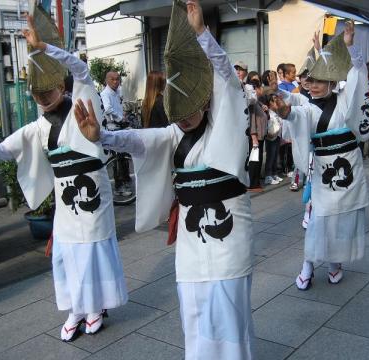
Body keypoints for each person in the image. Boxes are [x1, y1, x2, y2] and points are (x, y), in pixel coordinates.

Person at [74, 0, 254, 358]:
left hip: (229, 235)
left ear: (206, 101)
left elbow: (226, 76)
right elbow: (140, 139)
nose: (185, 119)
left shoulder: (228, 125)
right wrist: (102, 138)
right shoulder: (173, 134)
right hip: (191, 240)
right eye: (179, 113)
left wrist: (201, 32)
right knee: (194, 310)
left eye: (191, 112)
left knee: (228, 312)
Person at [0, 9, 128, 341]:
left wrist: (44, 48)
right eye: (37, 94)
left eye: (48, 91)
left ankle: (95, 306)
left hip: (93, 195)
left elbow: (82, 70)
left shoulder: (83, 102)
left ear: (61, 85)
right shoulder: (38, 126)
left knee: (92, 249)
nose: (43, 98)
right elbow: (4, 147)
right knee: (67, 253)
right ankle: (76, 306)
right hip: (66, 199)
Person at [274, 21, 369, 289]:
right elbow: (297, 114)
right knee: (319, 219)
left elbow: (357, 75)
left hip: (349, 167)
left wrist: (349, 46)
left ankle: (335, 262)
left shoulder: (344, 99)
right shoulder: (308, 106)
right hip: (324, 170)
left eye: (319, 81)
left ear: (331, 81)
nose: (313, 86)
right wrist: (284, 113)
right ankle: (308, 264)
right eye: (310, 81)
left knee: (343, 219)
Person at [100, 71, 132, 196]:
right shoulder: (105, 94)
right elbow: (107, 108)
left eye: (117, 79)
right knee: (118, 158)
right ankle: (119, 186)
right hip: (113, 128)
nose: (116, 82)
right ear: (107, 80)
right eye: (113, 79)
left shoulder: (116, 92)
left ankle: (125, 181)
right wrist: (120, 118)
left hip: (119, 128)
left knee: (122, 157)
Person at [247, 78, 268, 191]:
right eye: (259, 88)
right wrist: (253, 135)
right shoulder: (252, 103)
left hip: (261, 135)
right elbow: (252, 120)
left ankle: (255, 182)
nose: (261, 90)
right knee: (254, 161)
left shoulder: (257, 102)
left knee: (258, 159)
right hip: (256, 136)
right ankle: (252, 183)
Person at [261, 89, 283, 185]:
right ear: (269, 102)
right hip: (271, 137)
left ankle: (274, 174)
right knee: (270, 156)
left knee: (275, 156)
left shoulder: (276, 112)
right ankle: (268, 176)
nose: (276, 102)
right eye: (274, 100)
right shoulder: (268, 113)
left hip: (277, 136)